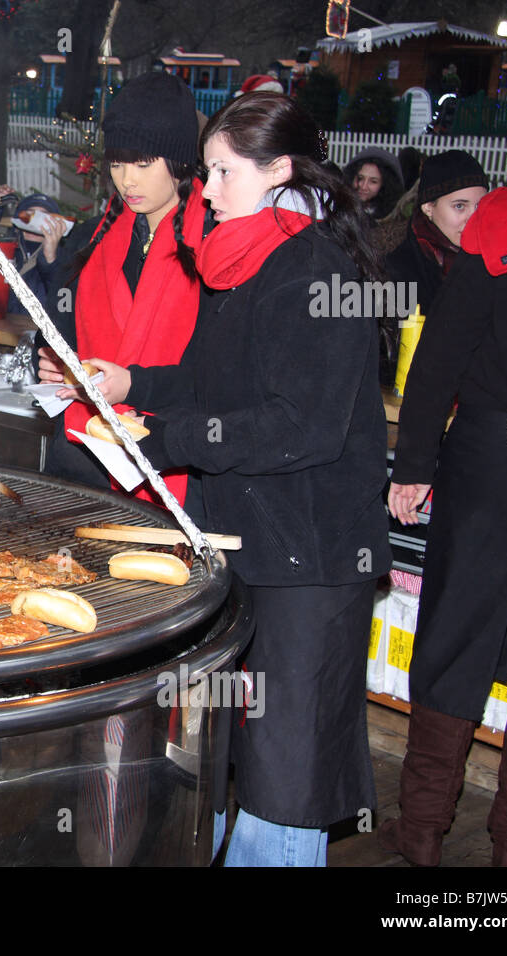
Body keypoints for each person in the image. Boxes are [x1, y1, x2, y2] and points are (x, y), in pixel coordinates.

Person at [105, 91, 391, 865]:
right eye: (206, 172)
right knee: (249, 754)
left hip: (312, 557)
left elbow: (302, 425)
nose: (206, 190)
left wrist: (172, 439)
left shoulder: (315, 271)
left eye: (223, 174)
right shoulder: (252, 259)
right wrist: (132, 385)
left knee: (285, 774)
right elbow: (210, 374)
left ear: (280, 173)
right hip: (257, 542)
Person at [383, 114, 507, 868]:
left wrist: (419, 461)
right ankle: (438, 838)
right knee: (503, 651)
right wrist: (414, 463)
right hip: (494, 461)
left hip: (495, 458)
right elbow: (442, 355)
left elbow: (441, 356)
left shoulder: (506, 215)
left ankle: (479, 844)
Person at [36, 70, 208, 508]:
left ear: (181, 161)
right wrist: (52, 359)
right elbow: (55, 323)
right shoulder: (93, 238)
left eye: (144, 163)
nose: (128, 180)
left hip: (171, 459)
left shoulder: (212, 245)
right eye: (117, 163)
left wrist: (134, 385)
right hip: (84, 450)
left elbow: (220, 376)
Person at [386, 150, 488, 316]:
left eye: (479, 206)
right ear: (428, 207)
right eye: (460, 206)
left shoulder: (491, 263)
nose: (473, 218)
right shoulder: (395, 271)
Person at [345, 147, 404, 219]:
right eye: (360, 178)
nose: (364, 186)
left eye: (373, 181)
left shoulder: (393, 219)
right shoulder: (337, 212)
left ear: (385, 185)